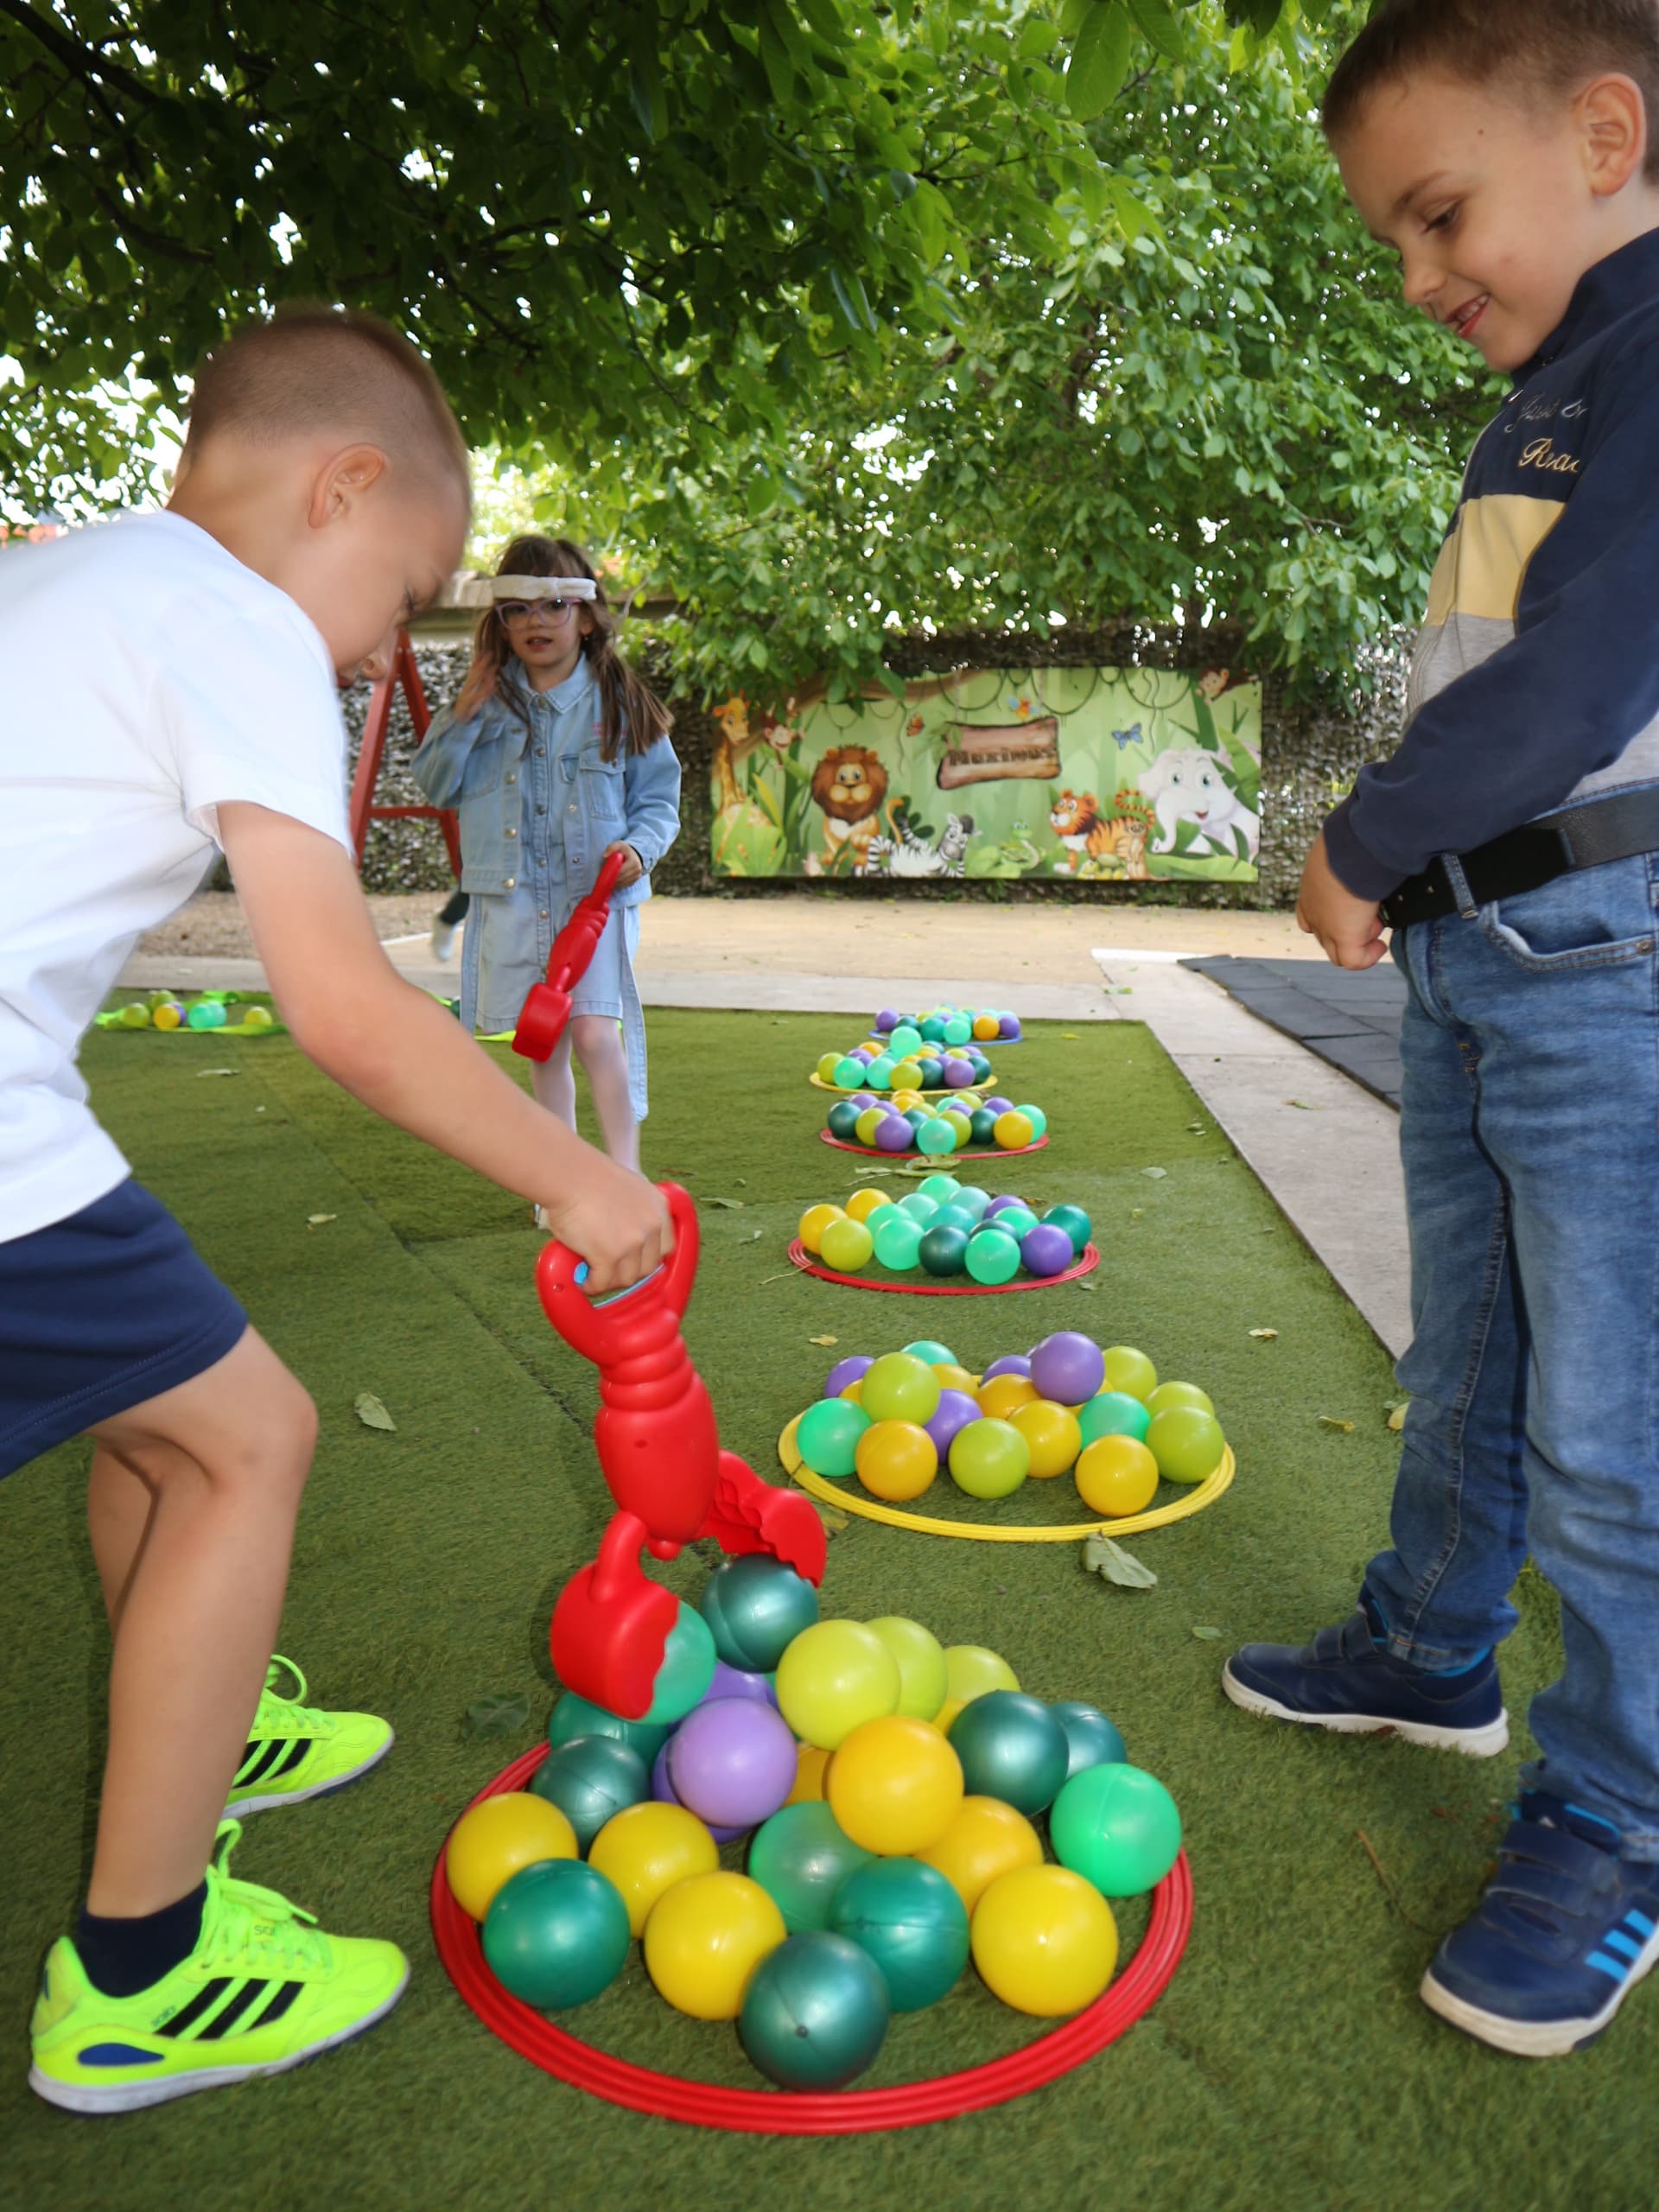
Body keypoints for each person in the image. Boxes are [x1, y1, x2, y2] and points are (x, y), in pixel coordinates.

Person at [3, 308, 672, 2113]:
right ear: (339, 486)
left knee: (165, 1420)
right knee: (251, 1443)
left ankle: (198, 1720)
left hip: (19, 1116)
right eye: (405, 587)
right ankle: (140, 1969)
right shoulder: (235, 619)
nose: (392, 638)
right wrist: (583, 1173)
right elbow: (344, 1001)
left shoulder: (75, 580)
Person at [1223, 0, 1659, 2059]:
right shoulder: (1553, 385)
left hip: (1613, 948)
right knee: (1471, 1351)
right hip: (1489, 951)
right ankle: (1426, 1642)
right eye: (1394, 241)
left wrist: (1366, 832)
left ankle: (1624, 1807)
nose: (1416, 277)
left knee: (1613, 1425)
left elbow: (1579, 678)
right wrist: (1421, 889)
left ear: (1603, 128)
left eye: (1437, 213)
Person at [410, 538, 680, 1175]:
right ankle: (562, 1180)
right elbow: (437, 785)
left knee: (592, 1031)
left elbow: (659, 801)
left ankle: (625, 1174)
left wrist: (641, 849)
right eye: (519, 609)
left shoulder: (619, 701)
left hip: (594, 903)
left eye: (554, 605)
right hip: (515, 899)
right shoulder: (482, 704)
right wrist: (466, 711)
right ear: (500, 623)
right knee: (544, 1039)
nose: (536, 622)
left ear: (585, 618)